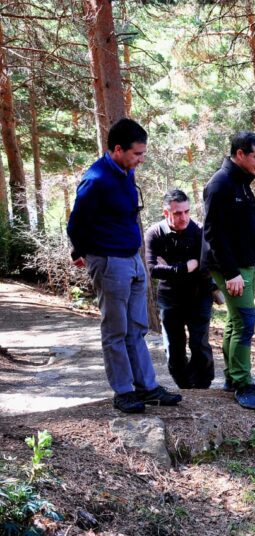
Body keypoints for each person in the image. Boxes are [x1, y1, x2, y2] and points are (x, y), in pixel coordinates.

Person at [67, 118, 182, 414]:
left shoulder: (125, 172)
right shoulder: (96, 180)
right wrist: (82, 253)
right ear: (118, 149)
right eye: (137, 154)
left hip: (132, 259)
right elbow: (76, 224)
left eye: (143, 154)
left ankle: (147, 386)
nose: (141, 160)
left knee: (137, 328)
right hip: (109, 262)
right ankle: (123, 391)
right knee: (116, 329)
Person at [202, 131, 255, 410]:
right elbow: (212, 234)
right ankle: (242, 384)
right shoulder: (220, 184)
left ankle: (233, 378)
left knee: (235, 321)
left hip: (244, 264)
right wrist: (231, 273)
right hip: (229, 267)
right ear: (240, 154)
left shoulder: (242, 183)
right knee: (245, 320)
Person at [145, 189, 216, 390]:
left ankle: (202, 385)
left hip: (199, 294)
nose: (183, 217)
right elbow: (153, 269)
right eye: (177, 213)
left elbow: (205, 267)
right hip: (170, 298)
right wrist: (185, 267)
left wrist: (170, 267)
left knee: (199, 343)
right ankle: (185, 386)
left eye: (186, 211)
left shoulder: (200, 231)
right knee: (174, 347)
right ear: (166, 212)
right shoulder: (155, 233)